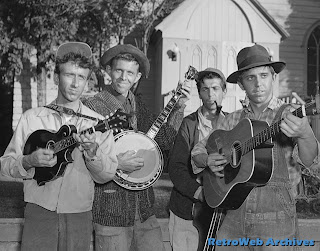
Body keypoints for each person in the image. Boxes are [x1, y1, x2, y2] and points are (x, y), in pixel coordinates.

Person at [191, 44, 320, 251]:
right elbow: (198, 151)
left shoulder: (290, 114)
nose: (258, 84)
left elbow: (311, 161)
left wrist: (305, 134)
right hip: (232, 217)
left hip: (276, 221)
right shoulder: (231, 120)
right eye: (250, 78)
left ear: (273, 78)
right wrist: (207, 160)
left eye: (263, 76)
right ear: (241, 84)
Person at [0, 42, 118, 251]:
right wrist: (28, 161)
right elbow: (6, 164)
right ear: (56, 77)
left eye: (81, 77)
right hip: (38, 211)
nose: (75, 83)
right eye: (69, 75)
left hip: (79, 214)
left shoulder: (96, 123)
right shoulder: (32, 118)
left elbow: (107, 174)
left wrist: (92, 153)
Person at [83, 44, 191, 251]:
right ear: (108, 72)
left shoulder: (139, 107)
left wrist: (178, 107)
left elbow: (167, 140)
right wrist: (116, 163)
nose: (124, 77)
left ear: (138, 76)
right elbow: (86, 156)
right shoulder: (92, 107)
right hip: (110, 209)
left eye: (130, 72)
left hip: (144, 210)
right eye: (119, 70)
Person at [168, 68, 227, 251]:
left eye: (216, 89)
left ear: (224, 91)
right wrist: (199, 193)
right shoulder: (188, 124)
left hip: (222, 214)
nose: (211, 95)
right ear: (199, 93)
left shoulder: (232, 124)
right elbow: (176, 168)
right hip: (187, 210)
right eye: (205, 89)